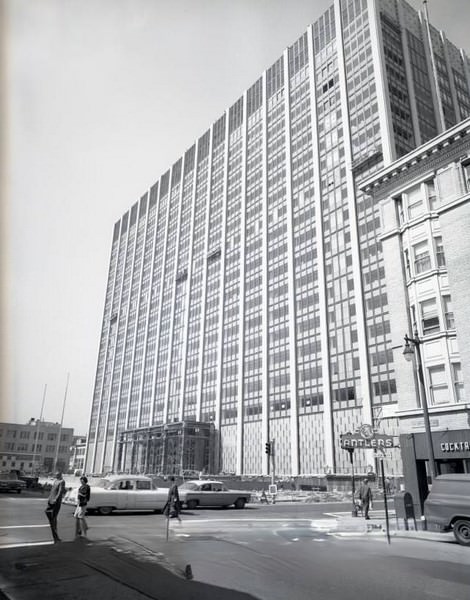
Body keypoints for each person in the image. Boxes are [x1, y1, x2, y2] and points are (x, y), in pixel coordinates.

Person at [45, 472, 66, 543]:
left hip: (56, 502)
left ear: (60, 475)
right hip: (51, 500)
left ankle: (56, 537)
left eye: (56, 475)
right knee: (48, 513)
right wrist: (49, 498)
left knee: (54, 517)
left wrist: (55, 499)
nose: (55, 476)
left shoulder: (62, 481)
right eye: (55, 475)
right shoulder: (56, 481)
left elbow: (60, 492)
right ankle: (54, 526)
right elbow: (52, 490)